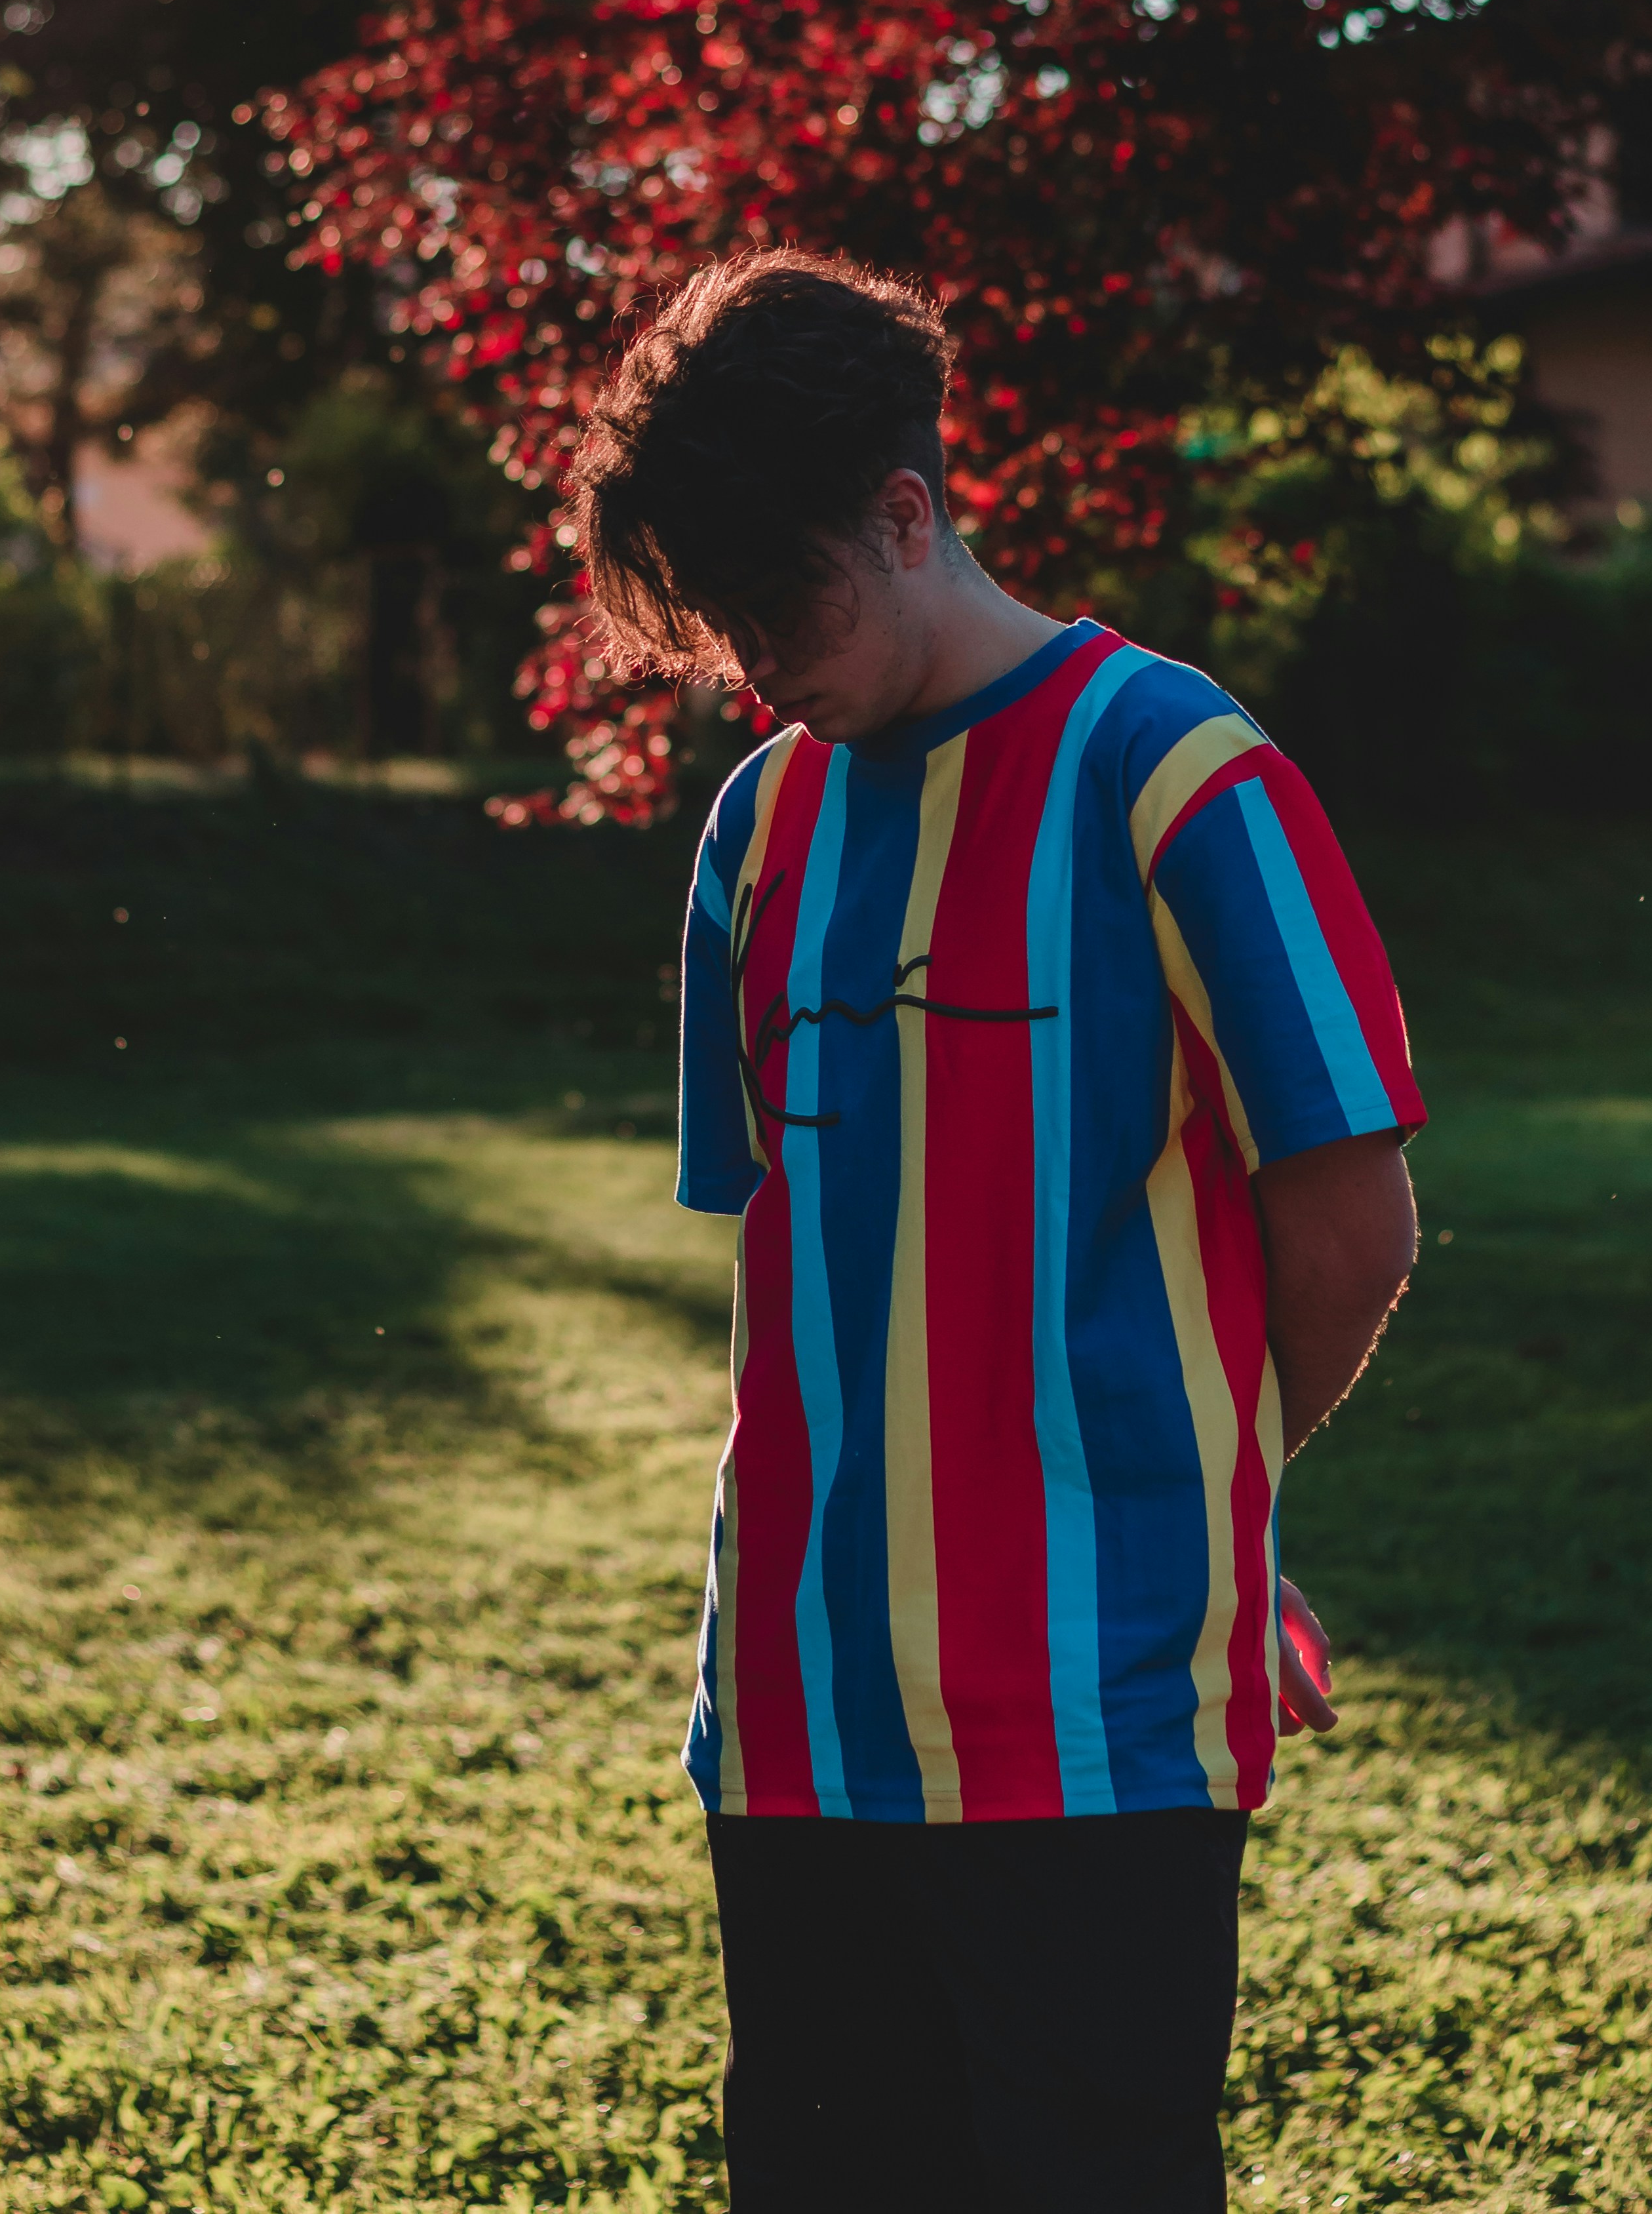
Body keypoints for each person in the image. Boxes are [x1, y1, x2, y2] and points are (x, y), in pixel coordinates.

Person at [568, 248, 1424, 2214]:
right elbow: (793, 1256)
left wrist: (1223, 1509)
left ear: (906, 511)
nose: (751, 655)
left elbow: (1356, 1221)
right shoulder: (760, 832)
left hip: (1093, 1711)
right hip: (791, 1710)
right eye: (709, 621)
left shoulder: (1177, 777)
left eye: (776, 597)